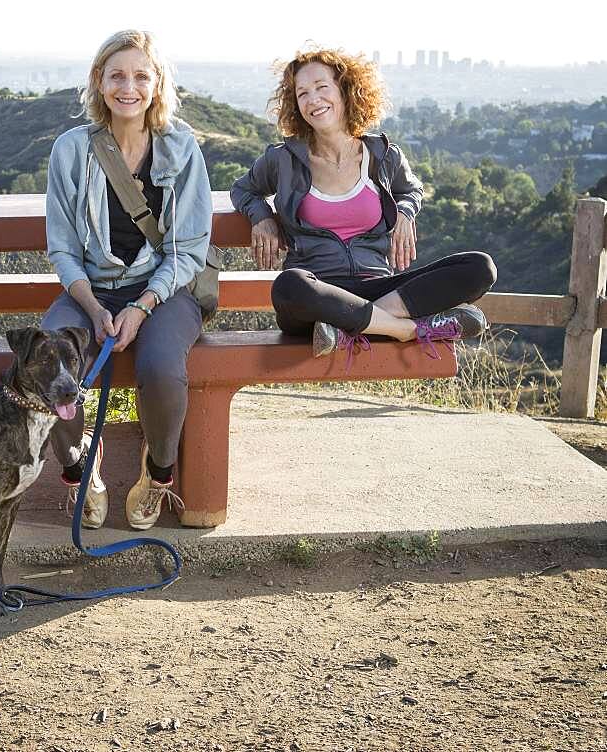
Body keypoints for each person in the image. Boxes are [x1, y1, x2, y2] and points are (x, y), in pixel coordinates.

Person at [43, 29, 213, 530]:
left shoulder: (181, 149)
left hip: (164, 290)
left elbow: (188, 249)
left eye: (142, 75)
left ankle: (158, 473)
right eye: (117, 75)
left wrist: (141, 307)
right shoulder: (71, 151)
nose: (128, 87)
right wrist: (94, 308)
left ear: (157, 85)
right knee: (47, 361)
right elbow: (63, 249)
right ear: (99, 81)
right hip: (89, 289)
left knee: (161, 368)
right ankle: (79, 471)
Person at [230, 46, 496, 359]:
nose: (313, 100)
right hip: (318, 295)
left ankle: (349, 328)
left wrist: (406, 213)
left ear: (345, 90)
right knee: (288, 286)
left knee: (479, 266)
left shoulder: (383, 156)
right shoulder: (282, 159)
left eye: (321, 87)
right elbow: (243, 190)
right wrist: (261, 216)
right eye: (302, 93)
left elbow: (412, 191)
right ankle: (407, 330)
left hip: (375, 285)